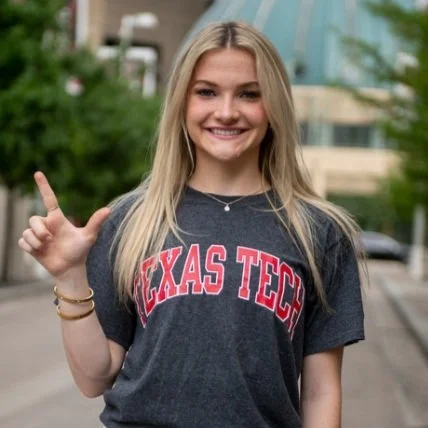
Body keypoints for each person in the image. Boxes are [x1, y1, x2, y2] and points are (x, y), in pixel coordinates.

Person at [19, 21, 365, 428]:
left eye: (249, 94)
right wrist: (71, 275)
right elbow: (94, 378)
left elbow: (322, 393)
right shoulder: (132, 220)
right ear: (182, 102)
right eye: (206, 92)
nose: (226, 111)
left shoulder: (318, 232)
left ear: (274, 106)